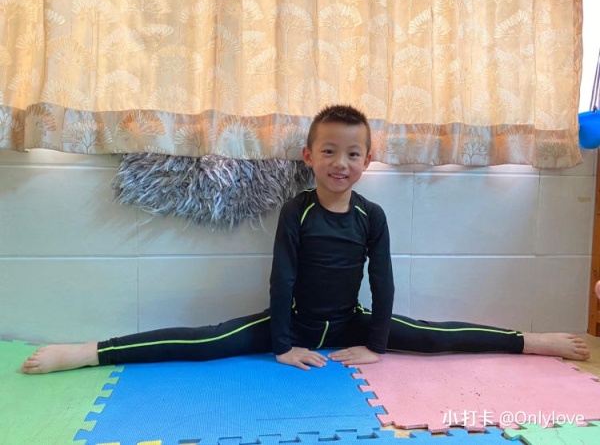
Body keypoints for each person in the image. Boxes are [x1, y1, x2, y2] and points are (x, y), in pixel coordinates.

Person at [21, 105, 590, 374]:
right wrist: (281, 345)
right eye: (329, 152)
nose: (341, 163)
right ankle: (90, 352)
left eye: (353, 153)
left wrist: (378, 343)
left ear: (367, 160)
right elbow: (282, 278)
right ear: (309, 156)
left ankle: (530, 341)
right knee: (206, 341)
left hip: (349, 323)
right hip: (290, 322)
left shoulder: (371, 216)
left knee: (430, 334)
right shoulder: (297, 210)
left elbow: (384, 282)